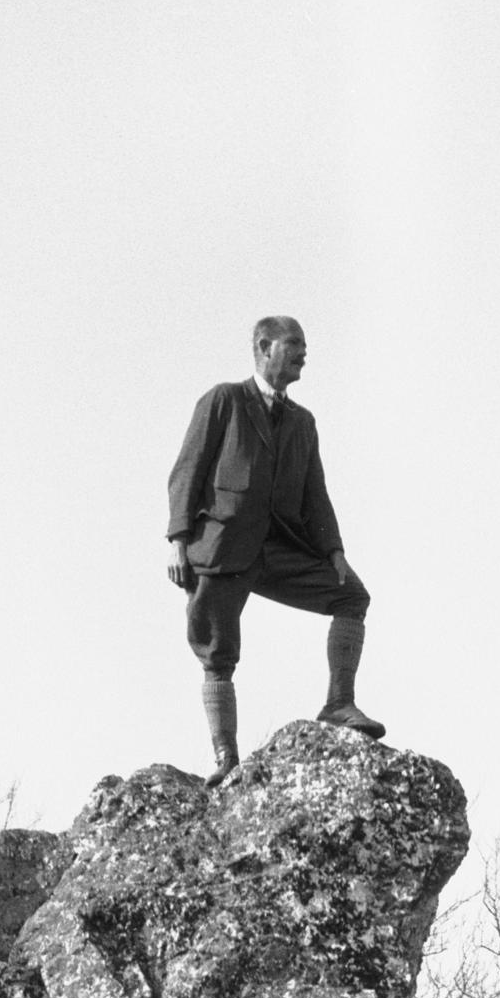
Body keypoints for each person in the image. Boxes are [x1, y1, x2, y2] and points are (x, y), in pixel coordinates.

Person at [166, 316, 384, 776]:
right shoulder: (224, 400)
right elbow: (187, 470)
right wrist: (178, 540)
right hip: (223, 545)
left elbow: (315, 495)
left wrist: (334, 553)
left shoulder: (302, 422)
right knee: (217, 652)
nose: (305, 353)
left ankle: (339, 704)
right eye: (295, 344)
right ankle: (226, 758)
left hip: (281, 545)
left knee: (352, 595)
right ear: (265, 347)